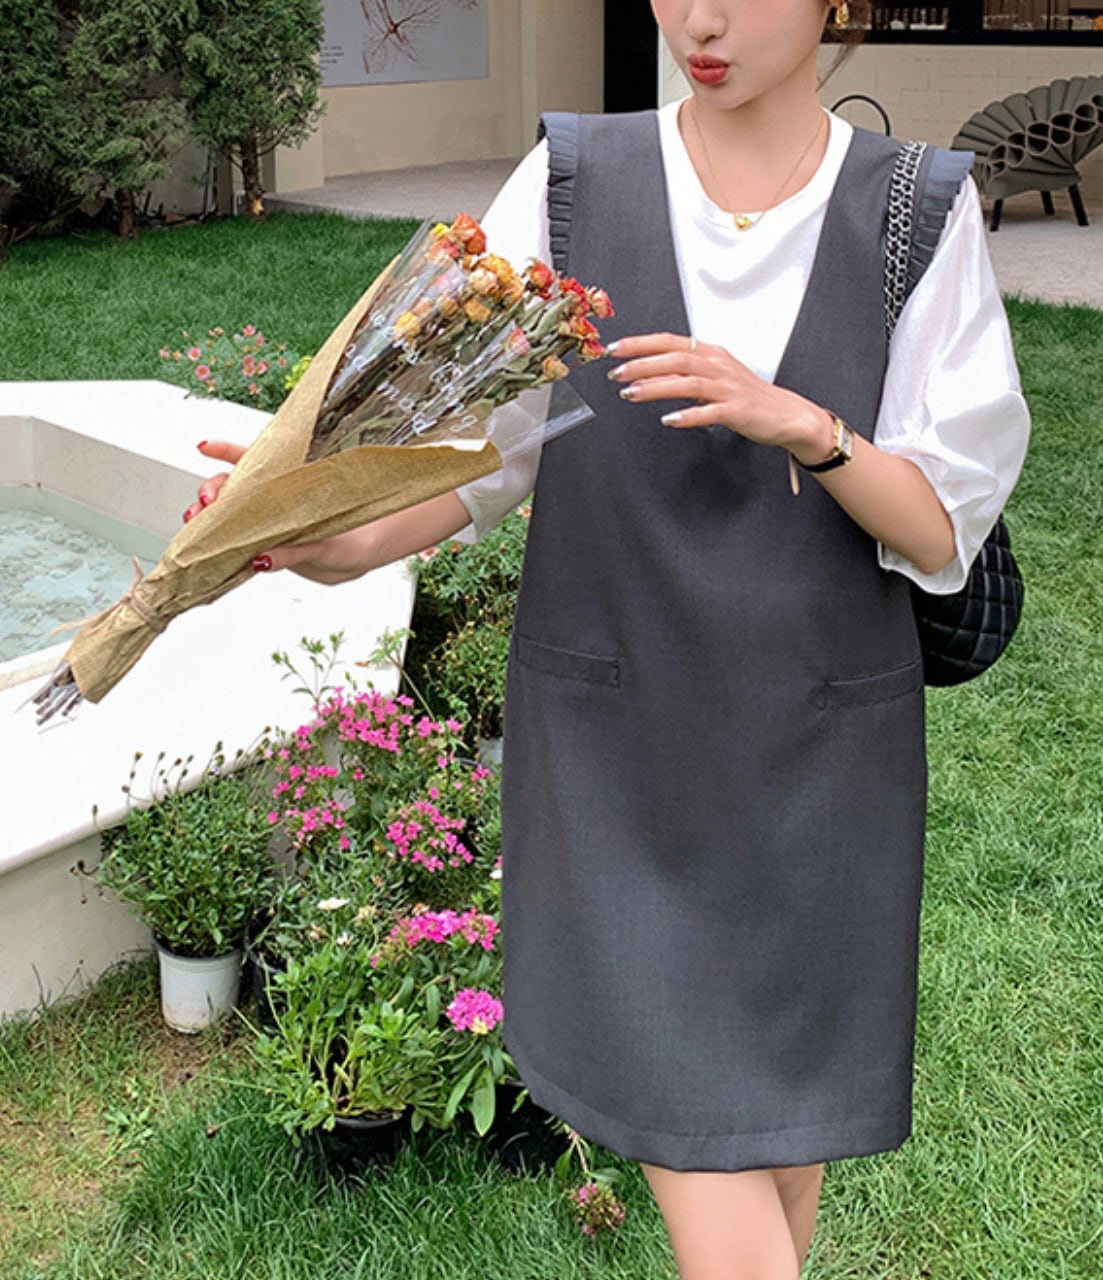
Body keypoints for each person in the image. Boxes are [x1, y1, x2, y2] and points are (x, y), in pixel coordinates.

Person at [191, 2, 1029, 1275]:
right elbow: (480, 456)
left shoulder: (914, 210)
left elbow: (938, 524)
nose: (700, 18)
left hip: (819, 759)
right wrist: (327, 540)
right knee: (709, 1148)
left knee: (775, 1145)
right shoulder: (572, 185)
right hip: (616, 752)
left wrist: (803, 425)